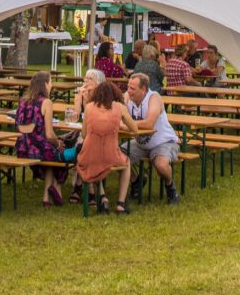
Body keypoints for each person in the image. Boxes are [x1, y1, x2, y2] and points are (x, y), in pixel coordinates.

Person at [78, 78, 137, 214]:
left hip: (89, 154)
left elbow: (84, 133)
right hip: (111, 154)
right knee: (126, 164)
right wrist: (120, 125)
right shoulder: (119, 107)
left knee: (96, 161)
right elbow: (134, 129)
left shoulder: (88, 107)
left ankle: (103, 197)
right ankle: (121, 204)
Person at [124, 73, 182, 204]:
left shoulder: (154, 98)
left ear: (143, 89)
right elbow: (118, 114)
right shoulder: (127, 97)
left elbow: (149, 123)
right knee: (114, 156)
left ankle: (170, 187)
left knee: (161, 164)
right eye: (128, 87)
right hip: (140, 144)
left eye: (132, 88)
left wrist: (127, 123)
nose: (128, 91)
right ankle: (136, 181)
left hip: (164, 142)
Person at [14, 71, 69, 206]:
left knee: (50, 156)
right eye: (51, 82)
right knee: (62, 153)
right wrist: (58, 144)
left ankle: (47, 198)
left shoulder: (23, 101)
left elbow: (19, 126)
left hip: (22, 147)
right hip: (39, 149)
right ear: (45, 84)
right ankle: (55, 186)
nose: (52, 86)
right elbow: (50, 135)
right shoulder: (46, 102)